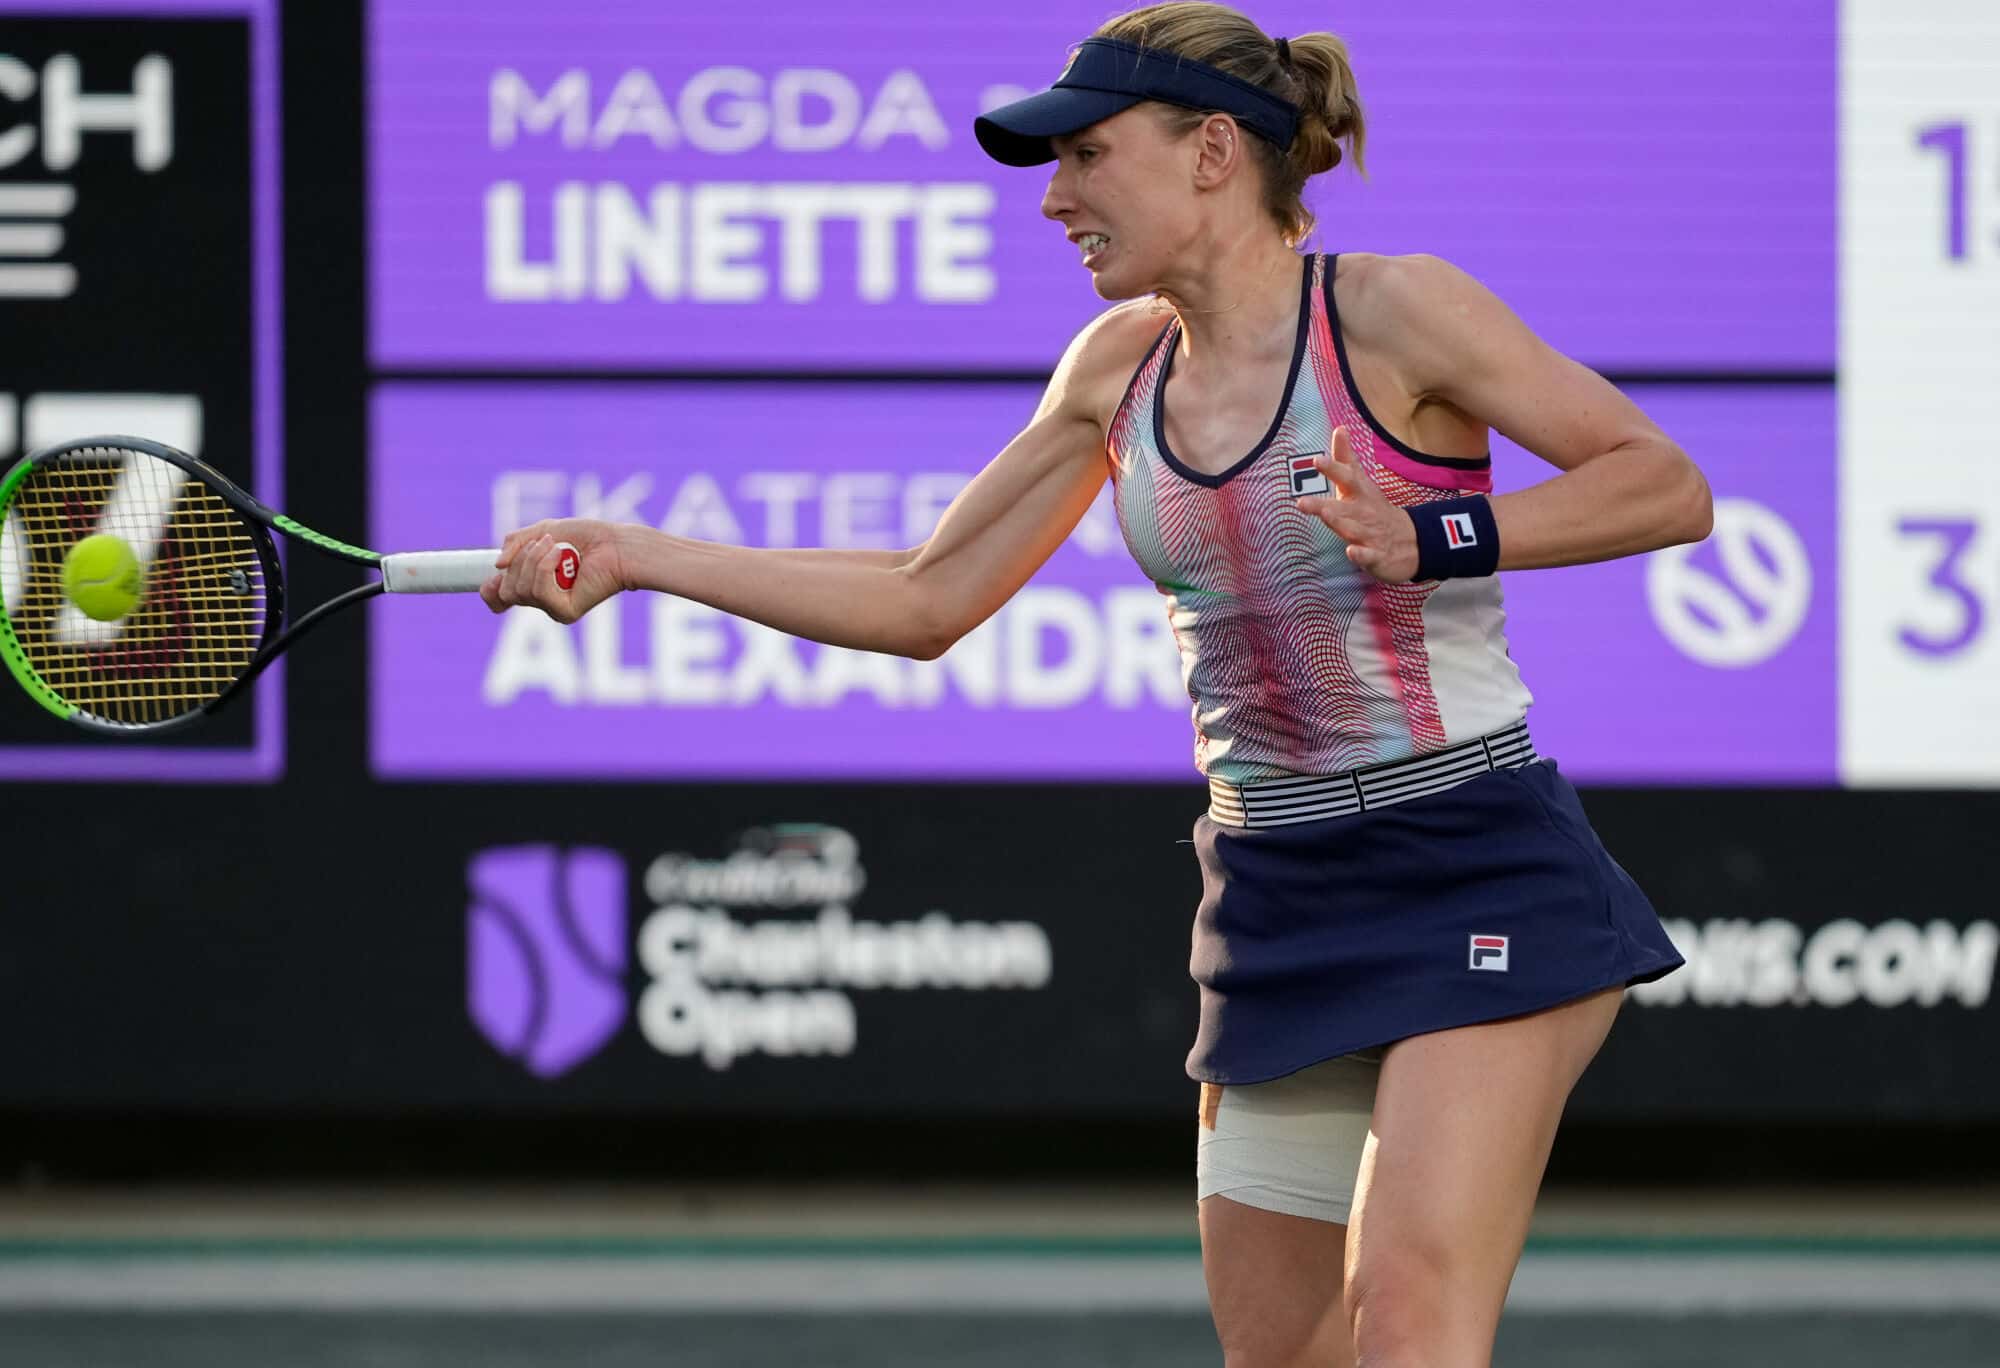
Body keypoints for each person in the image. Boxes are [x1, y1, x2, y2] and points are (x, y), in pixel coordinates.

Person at [481, 4, 1709, 1363]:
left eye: (1088, 155)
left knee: (1410, 1322)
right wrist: (645, 557)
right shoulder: (1114, 371)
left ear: (1212, 153)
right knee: (1283, 1355)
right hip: (1280, 892)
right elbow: (924, 599)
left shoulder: (1394, 311)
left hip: (1476, 861)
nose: (1056, 198)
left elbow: (1664, 483)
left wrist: (1436, 532)